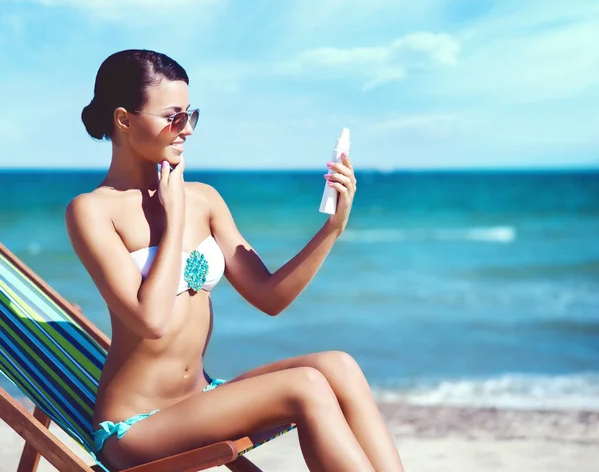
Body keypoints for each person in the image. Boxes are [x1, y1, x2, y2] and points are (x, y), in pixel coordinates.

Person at [65, 49, 404, 472]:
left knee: (339, 366)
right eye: (172, 116)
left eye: (190, 115)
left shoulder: (204, 198)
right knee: (306, 386)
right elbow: (150, 321)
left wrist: (333, 226)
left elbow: (269, 297)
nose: (185, 129)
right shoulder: (93, 211)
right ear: (123, 119)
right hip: (137, 427)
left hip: (200, 399)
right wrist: (174, 221)